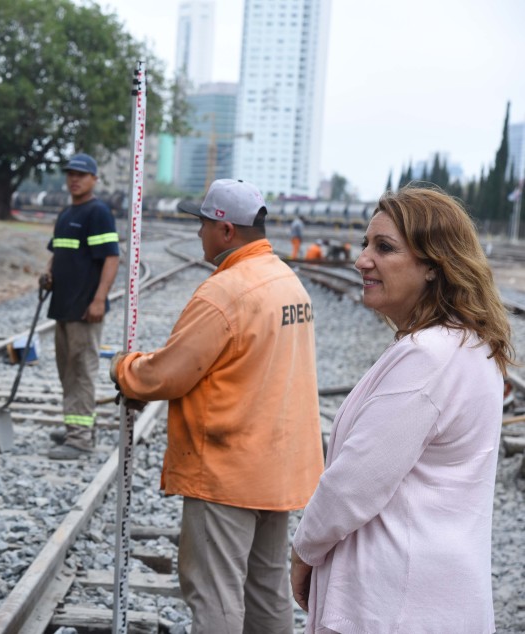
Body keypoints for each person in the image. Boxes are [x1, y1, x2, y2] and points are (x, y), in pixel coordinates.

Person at [290, 186, 513, 633]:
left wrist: (303, 551)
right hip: (430, 596)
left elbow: (356, 481)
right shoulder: (468, 347)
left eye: (384, 247)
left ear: (434, 266)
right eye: (365, 244)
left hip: (389, 602)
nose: (362, 260)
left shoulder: (428, 356)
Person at [111, 178, 324, 632]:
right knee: (266, 589)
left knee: (215, 593)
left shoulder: (225, 292)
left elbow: (168, 374)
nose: (198, 233)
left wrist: (123, 369)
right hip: (275, 467)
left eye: (204, 223)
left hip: (227, 471)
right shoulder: (288, 282)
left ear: (227, 231)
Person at [41, 153, 120, 460]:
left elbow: (111, 258)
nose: (75, 179)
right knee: (67, 372)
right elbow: (57, 252)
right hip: (62, 305)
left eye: (81, 175)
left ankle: (80, 438)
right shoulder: (66, 213)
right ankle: (76, 426)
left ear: (94, 179)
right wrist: (48, 274)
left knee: (82, 371)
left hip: (85, 309)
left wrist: (100, 298)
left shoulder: (97, 212)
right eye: (71, 174)